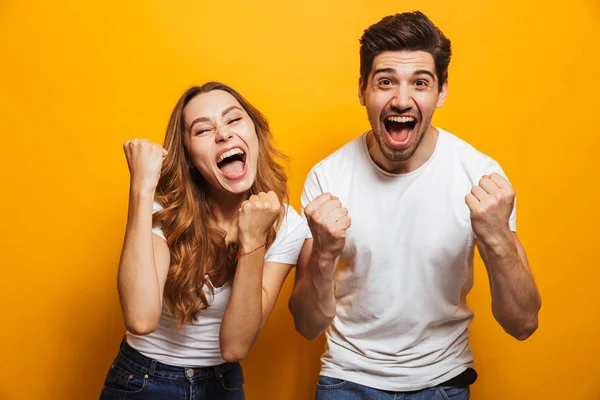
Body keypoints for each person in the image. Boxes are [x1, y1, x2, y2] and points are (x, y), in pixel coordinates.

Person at [289, 11, 541, 399]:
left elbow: (523, 323)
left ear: (441, 91)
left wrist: (497, 237)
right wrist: (324, 253)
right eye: (385, 82)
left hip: (443, 384)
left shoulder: (480, 175)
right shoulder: (328, 178)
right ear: (362, 91)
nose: (402, 100)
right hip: (347, 381)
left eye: (420, 83)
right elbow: (306, 325)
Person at [100, 82, 307, 400]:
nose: (223, 134)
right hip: (141, 380)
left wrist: (253, 239)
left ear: (255, 133)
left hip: (221, 385)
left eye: (233, 119)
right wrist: (141, 188)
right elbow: (140, 319)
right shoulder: (163, 209)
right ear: (191, 159)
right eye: (202, 130)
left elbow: (236, 346)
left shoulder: (288, 224)